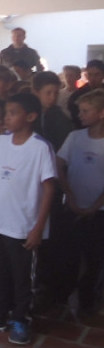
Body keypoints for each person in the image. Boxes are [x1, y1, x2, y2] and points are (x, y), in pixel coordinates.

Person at [0, 93, 56, 345]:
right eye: (5, 112)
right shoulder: (0, 142)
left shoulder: (40, 147)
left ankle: (21, 318)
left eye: (12, 113)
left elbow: (49, 188)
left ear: (31, 117)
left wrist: (38, 227)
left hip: (23, 226)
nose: (6, 117)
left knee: (22, 276)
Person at [56, 89, 104, 316]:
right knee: (68, 254)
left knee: (94, 257)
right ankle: (62, 296)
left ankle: (87, 299)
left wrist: (95, 206)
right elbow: (59, 164)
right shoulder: (75, 137)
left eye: (86, 111)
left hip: (99, 211)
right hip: (73, 207)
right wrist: (70, 196)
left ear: (101, 113)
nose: (80, 115)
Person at [67, 60, 104, 128]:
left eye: (97, 74)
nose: (93, 78)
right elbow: (76, 119)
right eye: (90, 74)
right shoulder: (76, 95)